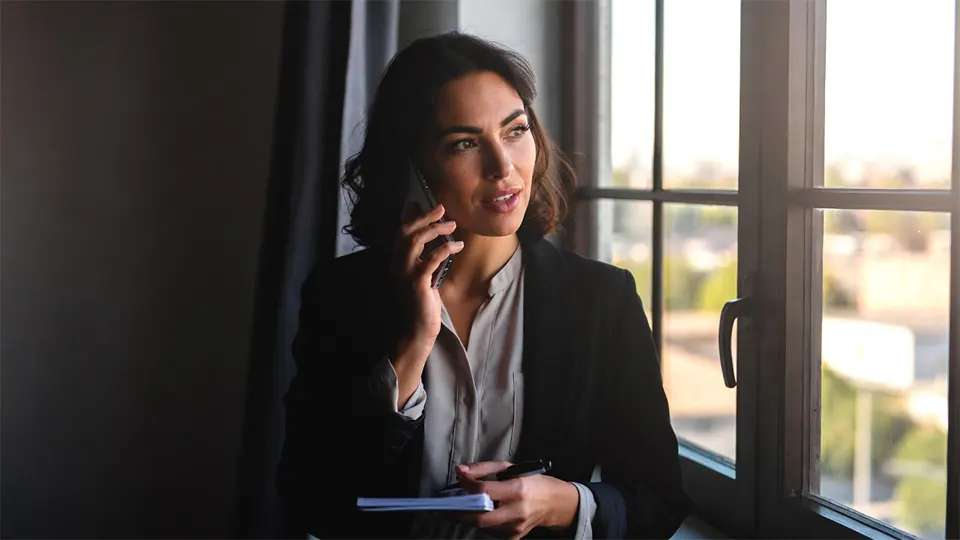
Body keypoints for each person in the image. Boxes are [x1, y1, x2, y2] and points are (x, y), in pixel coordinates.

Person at [277, 32, 690, 539]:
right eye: (465, 143)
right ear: (411, 168)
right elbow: (310, 500)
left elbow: (658, 501)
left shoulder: (602, 301)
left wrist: (560, 503)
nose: (503, 167)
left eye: (515, 131)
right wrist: (410, 347)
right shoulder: (341, 296)